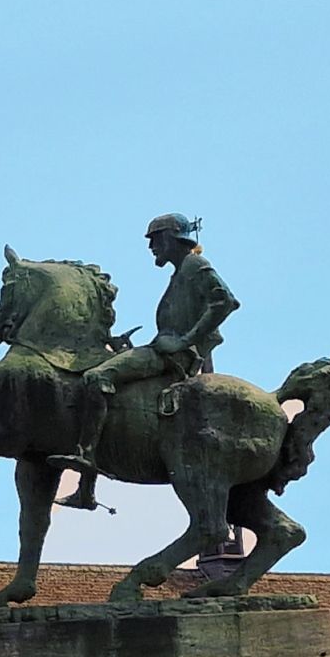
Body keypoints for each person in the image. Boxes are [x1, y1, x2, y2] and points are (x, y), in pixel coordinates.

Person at [53, 211, 240, 509]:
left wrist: (186, 340)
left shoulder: (195, 265)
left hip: (172, 355)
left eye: (155, 240)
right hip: (163, 349)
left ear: (171, 238)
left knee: (95, 378)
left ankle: (85, 456)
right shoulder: (182, 271)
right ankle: (85, 490)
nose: (151, 247)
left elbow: (225, 301)